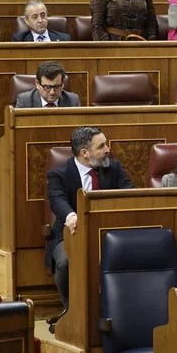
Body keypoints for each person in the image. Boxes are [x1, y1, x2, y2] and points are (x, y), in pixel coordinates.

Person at [47, 126, 132, 311]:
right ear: (84, 153)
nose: (108, 149)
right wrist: (70, 216)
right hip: (71, 232)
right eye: (101, 146)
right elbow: (57, 199)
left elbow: (129, 194)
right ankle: (72, 313)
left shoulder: (114, 167)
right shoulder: (59, 174)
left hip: (110, 232)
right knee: (65, 262)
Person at [15, 60, 80, 107]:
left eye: (56, 87)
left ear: (62, 84)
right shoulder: (24, 101)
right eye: (47, 87)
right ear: (37, 84)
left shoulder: (73, 101)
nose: (52, 92)